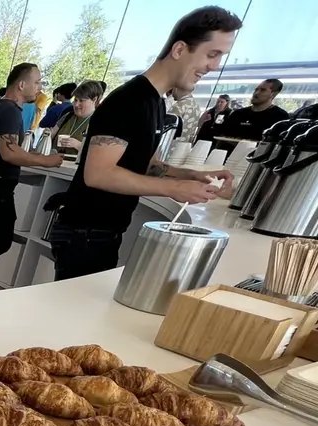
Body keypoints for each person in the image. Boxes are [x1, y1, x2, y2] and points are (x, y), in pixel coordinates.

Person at [51, 7, 241, 281]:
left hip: (100, 233)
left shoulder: (154, 102)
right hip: (85, 233)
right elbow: (98, 173)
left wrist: (194, 176)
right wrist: (174, 188)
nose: (214, 66)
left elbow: (146, 164)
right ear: (179, 50)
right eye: (212, 54)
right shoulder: (130, 100)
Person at [0, 63, 64, 276]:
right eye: (36, 82)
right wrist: (46, 161)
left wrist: (39, 156)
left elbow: (10, 148)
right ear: (21, 84)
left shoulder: (1, 108)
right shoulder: (9, 111)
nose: (40, 87)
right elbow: (9, 153)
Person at [218, 79, 290, 141]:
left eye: (263, 90)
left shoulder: (280, 117)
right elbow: (223, 135)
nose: (256, 93)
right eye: (256, 89)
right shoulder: (238, 114)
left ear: (273, 94)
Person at [47, 80, 104, 153]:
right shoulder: (67, 116)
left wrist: (78, 145)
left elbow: (100, 152)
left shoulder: (100, 123)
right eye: (75, 100)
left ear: (94, 100)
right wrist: (47, 135)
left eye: (81, 100)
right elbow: (51, 135)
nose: (76, 104)